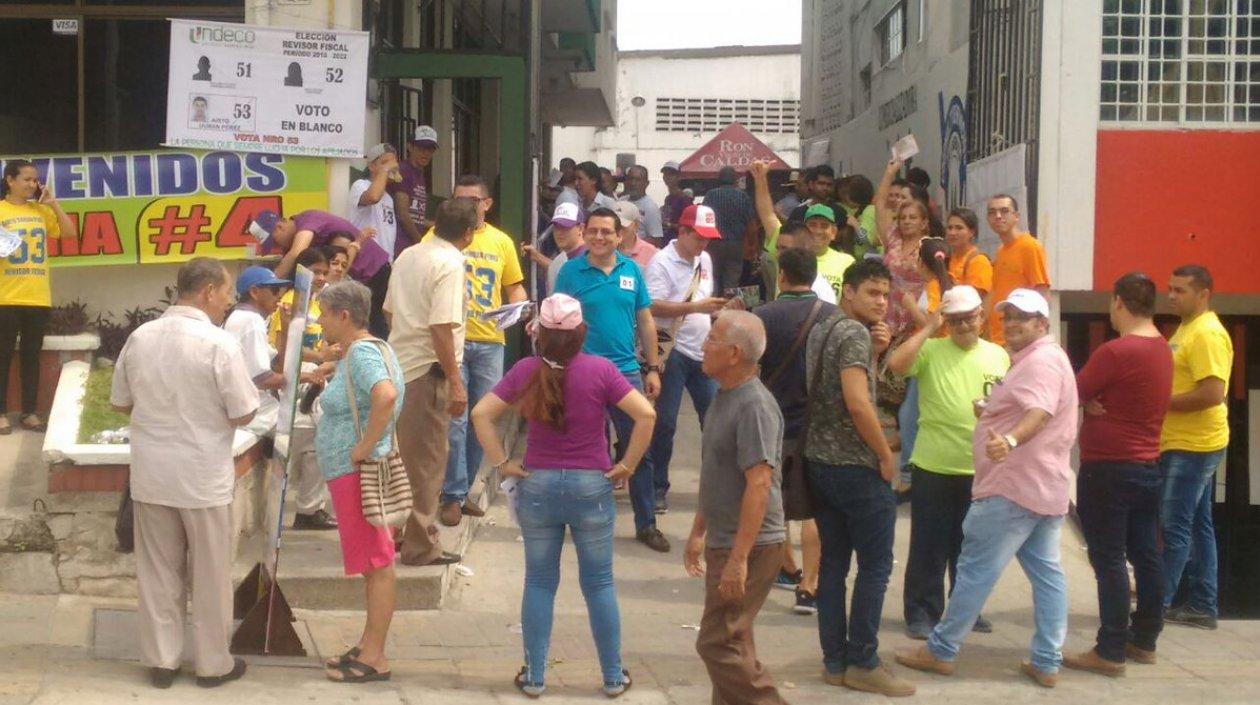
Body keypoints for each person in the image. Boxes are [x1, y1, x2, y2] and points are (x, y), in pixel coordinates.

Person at [471, 294, 655, 698]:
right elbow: (646, 414)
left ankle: (535, 676)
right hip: (592, 484)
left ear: (539, 334)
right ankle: (611, 676)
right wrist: (627, 463)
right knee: (600, 583)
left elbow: (481, 413)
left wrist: (502, 462)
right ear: (581, 333)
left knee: (539, 582)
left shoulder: (525, 370)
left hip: (537, 484)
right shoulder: (602, 371)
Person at [896, 288, 1078, 689]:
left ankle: (940, 650)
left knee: (973, 571)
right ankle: (1047, 661)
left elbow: (1039, 412)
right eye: (1008, 316)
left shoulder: (1039, 362)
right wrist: (993, 412)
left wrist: (1010, 440)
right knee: (1047, 575)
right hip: (1041, 487)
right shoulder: (1041, 357)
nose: (1012, 323)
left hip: (1012, 488)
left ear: (1042, 323)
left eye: (1022, 317)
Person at [109, 258, 256, 689]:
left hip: (153, 472)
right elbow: (244, 410)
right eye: (227, 292)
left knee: (158, 572)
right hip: (202, 475)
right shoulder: (218, 343)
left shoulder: (141, 337)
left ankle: (162, 661)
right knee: (210, 574)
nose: (229, 302)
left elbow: (120, 401)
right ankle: (213, 664)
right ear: (208, 290)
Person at [803, 258, 914, 697]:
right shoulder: (851, 333)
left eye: (885, 295)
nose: (881, 302)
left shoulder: (824, 328)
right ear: (847, 291)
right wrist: (885, 454)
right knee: (875, 567)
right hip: (855, 466)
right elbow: (856, 401)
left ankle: (835, 661)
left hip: (821, 462)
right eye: (872, 292)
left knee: (833, 564)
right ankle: (863, 660)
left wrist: (875, 353)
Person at [1064, 272, 1172, 676]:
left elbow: (1072, 391)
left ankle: (1109, 649)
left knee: (1108, 559)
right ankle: (1144, 640)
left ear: (1119, 302)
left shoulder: (1115, 351)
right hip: (1147, 465)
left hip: (1109, 467)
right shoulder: (1162, 347)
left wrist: (1088, 402)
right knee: (1146, 554)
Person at [886, 285, 1008, 639]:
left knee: (972, 547)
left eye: (969, 318)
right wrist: (928, 327)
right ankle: (921, 613)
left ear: (981, 319)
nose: (963, 326)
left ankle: (967, 608)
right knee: (929, 546)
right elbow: (896, 364)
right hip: (934, 466)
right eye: (954, 320)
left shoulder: (998, 356)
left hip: (981, 469)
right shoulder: (931, 350)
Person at [684, 311, 790, 705]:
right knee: (734, 641)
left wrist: (738, 559)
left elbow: (759, 483)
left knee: (717, 643)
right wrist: (698, 531)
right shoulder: (724, 395)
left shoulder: (754, 406)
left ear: (732, 353)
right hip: (725, 540)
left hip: (752, 544)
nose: (702, 346)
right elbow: (716, 473)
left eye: (711, 339)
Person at [554, 208, 665, 551]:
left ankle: (646, 523)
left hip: (626, 372)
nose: (599, 238)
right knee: (591, 451)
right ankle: (589, 518)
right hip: (582, 372)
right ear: (585, 233)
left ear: (620, 237)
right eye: (594, 231)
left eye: (607, 232)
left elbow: (645, 321)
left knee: (639, 449)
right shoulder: (570, 272)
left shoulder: (631, 270)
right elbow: (557, 319)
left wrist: (653, 367)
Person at [312, 279, 405, 683]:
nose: (321, 321)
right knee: (373, 563)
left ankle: (375, 657)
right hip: (354, 472)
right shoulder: (368, 350)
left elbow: (384, 396)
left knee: (378, 562)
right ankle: (368, 645)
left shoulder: (364, 353)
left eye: (325, 314)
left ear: (343, 315)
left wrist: (363, 447)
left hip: (358, 473)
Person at [426, 175, 528, 527]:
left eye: (472, 200)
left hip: (489, 341)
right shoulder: (438, 236)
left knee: (480, 419)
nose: (465, 206)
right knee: (454, 418)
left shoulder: (501, 242)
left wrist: (516, 310)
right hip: (451, 339)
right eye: (459, 199)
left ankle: (462, 488)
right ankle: (452, 495)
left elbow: (514, 287)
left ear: (487, 204)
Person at [385, 199, 478, 567]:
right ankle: (421, 546)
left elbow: (390, 311)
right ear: (469, 232)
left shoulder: (409, 254)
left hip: (401, 365)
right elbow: (441, 325)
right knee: (426, 464)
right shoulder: (450, 262)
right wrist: (456, 382)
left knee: (407, 460)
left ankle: (406, 535)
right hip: (427, 371)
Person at [752, 247, 837, 616]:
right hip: (818, 425)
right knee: (816, 508)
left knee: (778, 503)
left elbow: (752, 371)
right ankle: (812, 585)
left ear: (782, 276)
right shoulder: (834, 318)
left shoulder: (763, 316)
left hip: (775, 422)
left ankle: (786, 567)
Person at [1159, 264, 1233, 630]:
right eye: (1170, 289)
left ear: (1203, 293)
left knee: (1175, 526)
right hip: (1184, 441)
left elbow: (1212, 393)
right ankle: (1202, 605)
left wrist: (1161, 402)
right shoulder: (1188, 328)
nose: (1172, 296)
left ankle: (1157, 606)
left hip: (1194, 445)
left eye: (1180, 290)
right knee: (1198, 525)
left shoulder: (1206, 334)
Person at [644, 204, 725, 514]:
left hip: (704, 350)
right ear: (682, 232)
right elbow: (651, 306)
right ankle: (657, 487)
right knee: (664, 423)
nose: (703, 244)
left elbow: (704, 303)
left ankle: (716, 488)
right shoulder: (661, 262)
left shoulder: (704, 259)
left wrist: (716, 309)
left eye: (708, 238)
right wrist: (696, 308)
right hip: (673, 352)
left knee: (716, 422)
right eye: (698, 237)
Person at [0, 159, 77, 434]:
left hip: (37, 295)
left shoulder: (40, 211)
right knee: (3, 356)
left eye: (35, 180)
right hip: (5, 297)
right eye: (27, 179)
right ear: (10, 180)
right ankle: (1, 414)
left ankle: (29, 412)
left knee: (31, 356)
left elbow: (69, 233)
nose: (33, 184)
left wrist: (52, 204)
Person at [267, 248, 340, 530]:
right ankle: (290, 509)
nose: (321, 277)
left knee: (317, 450)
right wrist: (318, 360)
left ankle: (310, 510)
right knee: (300, 449)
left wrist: (325, 363)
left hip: (316, 385)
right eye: (316, 272)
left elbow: (321, 348)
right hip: (292, 387)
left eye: (324, 272)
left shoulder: (318, 305)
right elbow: (280, 353)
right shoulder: (288, 305)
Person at [250, 209, 388, 337]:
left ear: (280, 226)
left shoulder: (308, 220)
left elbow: (296, 253)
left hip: (375, 272)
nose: (276, 247)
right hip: (353, 284)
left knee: (374, 328)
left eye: (274, 242)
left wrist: (269, 285)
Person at [751, 160, 852, 302]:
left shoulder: (847, 262)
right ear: (804, 230)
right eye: (813, 225)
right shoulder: (788, 253)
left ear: (834, 232)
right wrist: (760, 178)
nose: (818, 231)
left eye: (824, 226)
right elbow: (767, 215)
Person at [224, 266, 291, 438]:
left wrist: (285, 327)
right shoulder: (250, 320)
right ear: (254, 292)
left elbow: (278, 368)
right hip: (256, 415)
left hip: (254, 411)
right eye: (275, 290)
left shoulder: (242, 316)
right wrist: (304, 377)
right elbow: (263, 379)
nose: (279, 296)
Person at [984, 195, 1049, 345]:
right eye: (992, 212)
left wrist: (1039, 338)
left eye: (1004, 211)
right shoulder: (1001, 250)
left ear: (1016, 216)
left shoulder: (1030, 247)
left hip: (1019, 340)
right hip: (998, 339)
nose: (998, 216)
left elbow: (1042, 292)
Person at [702, 166, 756, 294]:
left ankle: (711, 309)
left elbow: (704, 218)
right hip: (736, 244)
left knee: (713, 278)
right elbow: (751, 225)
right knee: (732, 281)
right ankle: (729, 310)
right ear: (736, 181)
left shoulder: (710, 195)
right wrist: (752, 245)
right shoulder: (743, 196)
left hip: (713, 243)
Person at [883, 200, 931, 338]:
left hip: (915, 313)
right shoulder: (893, 241)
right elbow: (881, 204)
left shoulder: (928, 247)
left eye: (912, 217)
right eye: (903, 218)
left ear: (924, 223)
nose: (906, 221)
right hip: (888, 311)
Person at [348, 143, 401, 268]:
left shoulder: (388, 198)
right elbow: (373, 197)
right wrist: (385, 169)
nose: (391, 166)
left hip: (385, 263)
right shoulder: (360, 185)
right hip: (365, 261)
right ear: (371, 166)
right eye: (385, 162)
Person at [389, 125, 439, 256]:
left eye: (430, 149)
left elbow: (415, 216)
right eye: (421, 148)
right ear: (409, 147)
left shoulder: (419, 173)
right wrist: (420, 243)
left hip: (410, 247)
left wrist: (435, 224)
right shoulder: (404, 171)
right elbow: (403, 214)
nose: (426, 153)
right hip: (401, 246)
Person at [522, 201, 586, 293]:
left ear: (580, 228)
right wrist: (537, 257)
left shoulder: (592, 259)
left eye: (565, 227)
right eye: (556, 227)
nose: (559, 232)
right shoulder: (559, 260)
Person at [943, 208, 993, 298]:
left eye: (959, 228)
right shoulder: (946, 259)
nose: (952, 232)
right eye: (950, 228)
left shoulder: (979, 261)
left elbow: (974, 300)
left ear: (972, 232)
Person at [618, 165, 664, 244]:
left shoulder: (650, 207)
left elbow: (656, 239)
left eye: (638, 180)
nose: (633, 183)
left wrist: (631, 243)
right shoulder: (621, 201)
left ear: (646, 183)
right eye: (630, 179)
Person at [613, 200, 658, 270]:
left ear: (636, 224)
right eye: (615, 224)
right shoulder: (605, 249)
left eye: (622, 224)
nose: (618, 228)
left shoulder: (652, 253)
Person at [660, 160, 692, 244]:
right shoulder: (668, 198)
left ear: (679, 177)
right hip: (666, 241)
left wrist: (668, 224)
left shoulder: (685, 199)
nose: (667, 177)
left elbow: (688, 226)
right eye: (665, 174)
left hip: (679, 243)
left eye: (671, 174)